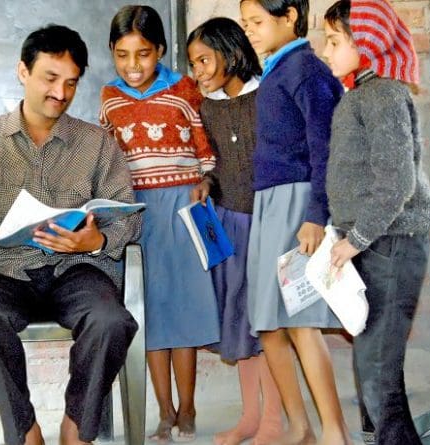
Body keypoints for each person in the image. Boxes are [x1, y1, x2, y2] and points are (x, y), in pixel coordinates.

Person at [0, 24, 140, 445]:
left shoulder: (98, 144)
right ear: (23, 72)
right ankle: (24, 433)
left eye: (71, 83)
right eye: (50, 78)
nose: (60, 92)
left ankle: (77, 429)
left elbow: (128, 219)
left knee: (112, 319)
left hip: (76, 267)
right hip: (2, 272)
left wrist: (94, 241)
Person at [100, 5, 220, 442]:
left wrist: (206, 178)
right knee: (148, 309)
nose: (133, 65)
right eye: (123, 54)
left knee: (183, 308)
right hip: (136, 214)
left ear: (162, 52)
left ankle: (188, 406)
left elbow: (206, 146)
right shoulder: (109, 98)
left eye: (144, 54)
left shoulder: (185, 90)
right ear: (112, 53)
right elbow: (106, 155)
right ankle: (164, 411)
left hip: (183, 206)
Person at [322, 0, 430, 443]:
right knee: (372, 358)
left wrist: (355, 238)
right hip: (378, 242)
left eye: (334, 41)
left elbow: (397, 182)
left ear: (365, 42)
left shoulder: (383, 93)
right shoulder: (364, 93)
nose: (327, 51)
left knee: (378, 365)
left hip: (390, 242)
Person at [238, 0, 352, 443]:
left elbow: (327, 149)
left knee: (300, 319)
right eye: (245, 23)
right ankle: (300, 427)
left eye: (258, 22)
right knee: (268, 323)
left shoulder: (307, 69)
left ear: (289, 17)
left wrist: (316, 216)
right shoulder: (276, 70)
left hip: (298, 202)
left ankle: (334, 431)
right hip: (269, 203)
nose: (250, 31)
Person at [187, 17, 284, 445]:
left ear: (230, 52)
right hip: (230, 223)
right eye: (193, 64)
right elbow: (216, 164)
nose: (199, 71)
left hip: (269, 223)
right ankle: (249, 418)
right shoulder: (206, 107)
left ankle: (275, 422)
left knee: (270, 326)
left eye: (205, 60)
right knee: (242, 323)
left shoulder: (270, 95)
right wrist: (207, 183)